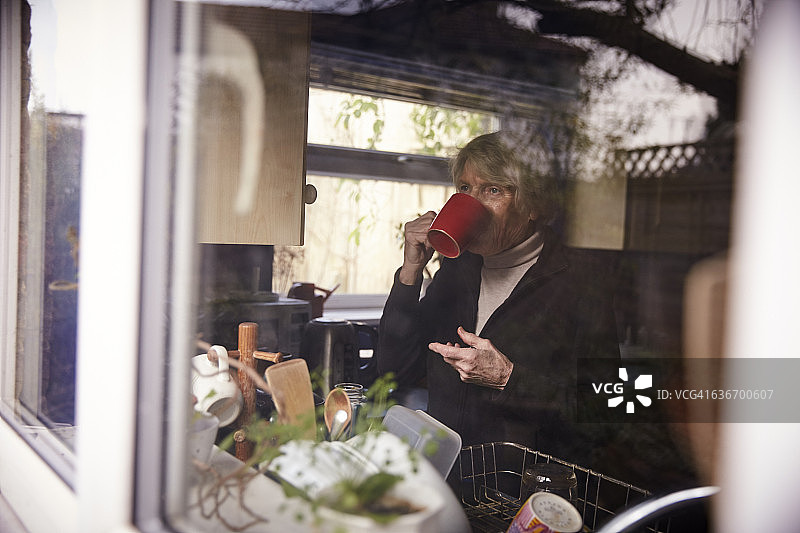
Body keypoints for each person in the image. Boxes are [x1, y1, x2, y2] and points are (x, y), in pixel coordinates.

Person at [377, 130, 622, 468]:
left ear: (533, 204)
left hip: (518, 493)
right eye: (465, 189)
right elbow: (395, 370)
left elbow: (608, 412)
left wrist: (508, 377)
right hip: (443, 476)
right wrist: (410, 273)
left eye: (492, 189)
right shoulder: (458, 266)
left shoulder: (580, 282)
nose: (472, 203)